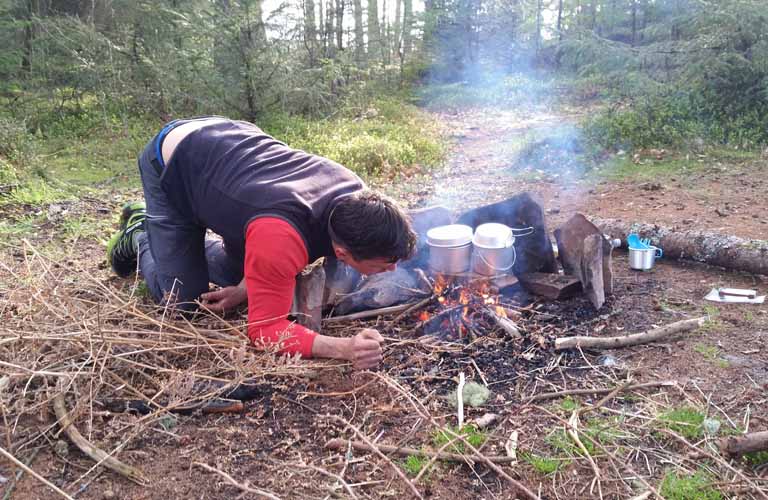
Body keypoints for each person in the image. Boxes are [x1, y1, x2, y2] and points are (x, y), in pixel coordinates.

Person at [106, 116, 416, 370]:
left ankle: (175, 243)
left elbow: (270, 257)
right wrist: (344, 348)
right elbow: (264, 331)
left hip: (234, 154)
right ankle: (142, 234)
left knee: (244, 273)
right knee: (181, 300)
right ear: (342, 251)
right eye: (384, 264)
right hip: (176, 159)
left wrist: (245, 288)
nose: (391, 268)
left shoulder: (359, 199)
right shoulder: (280, 239)